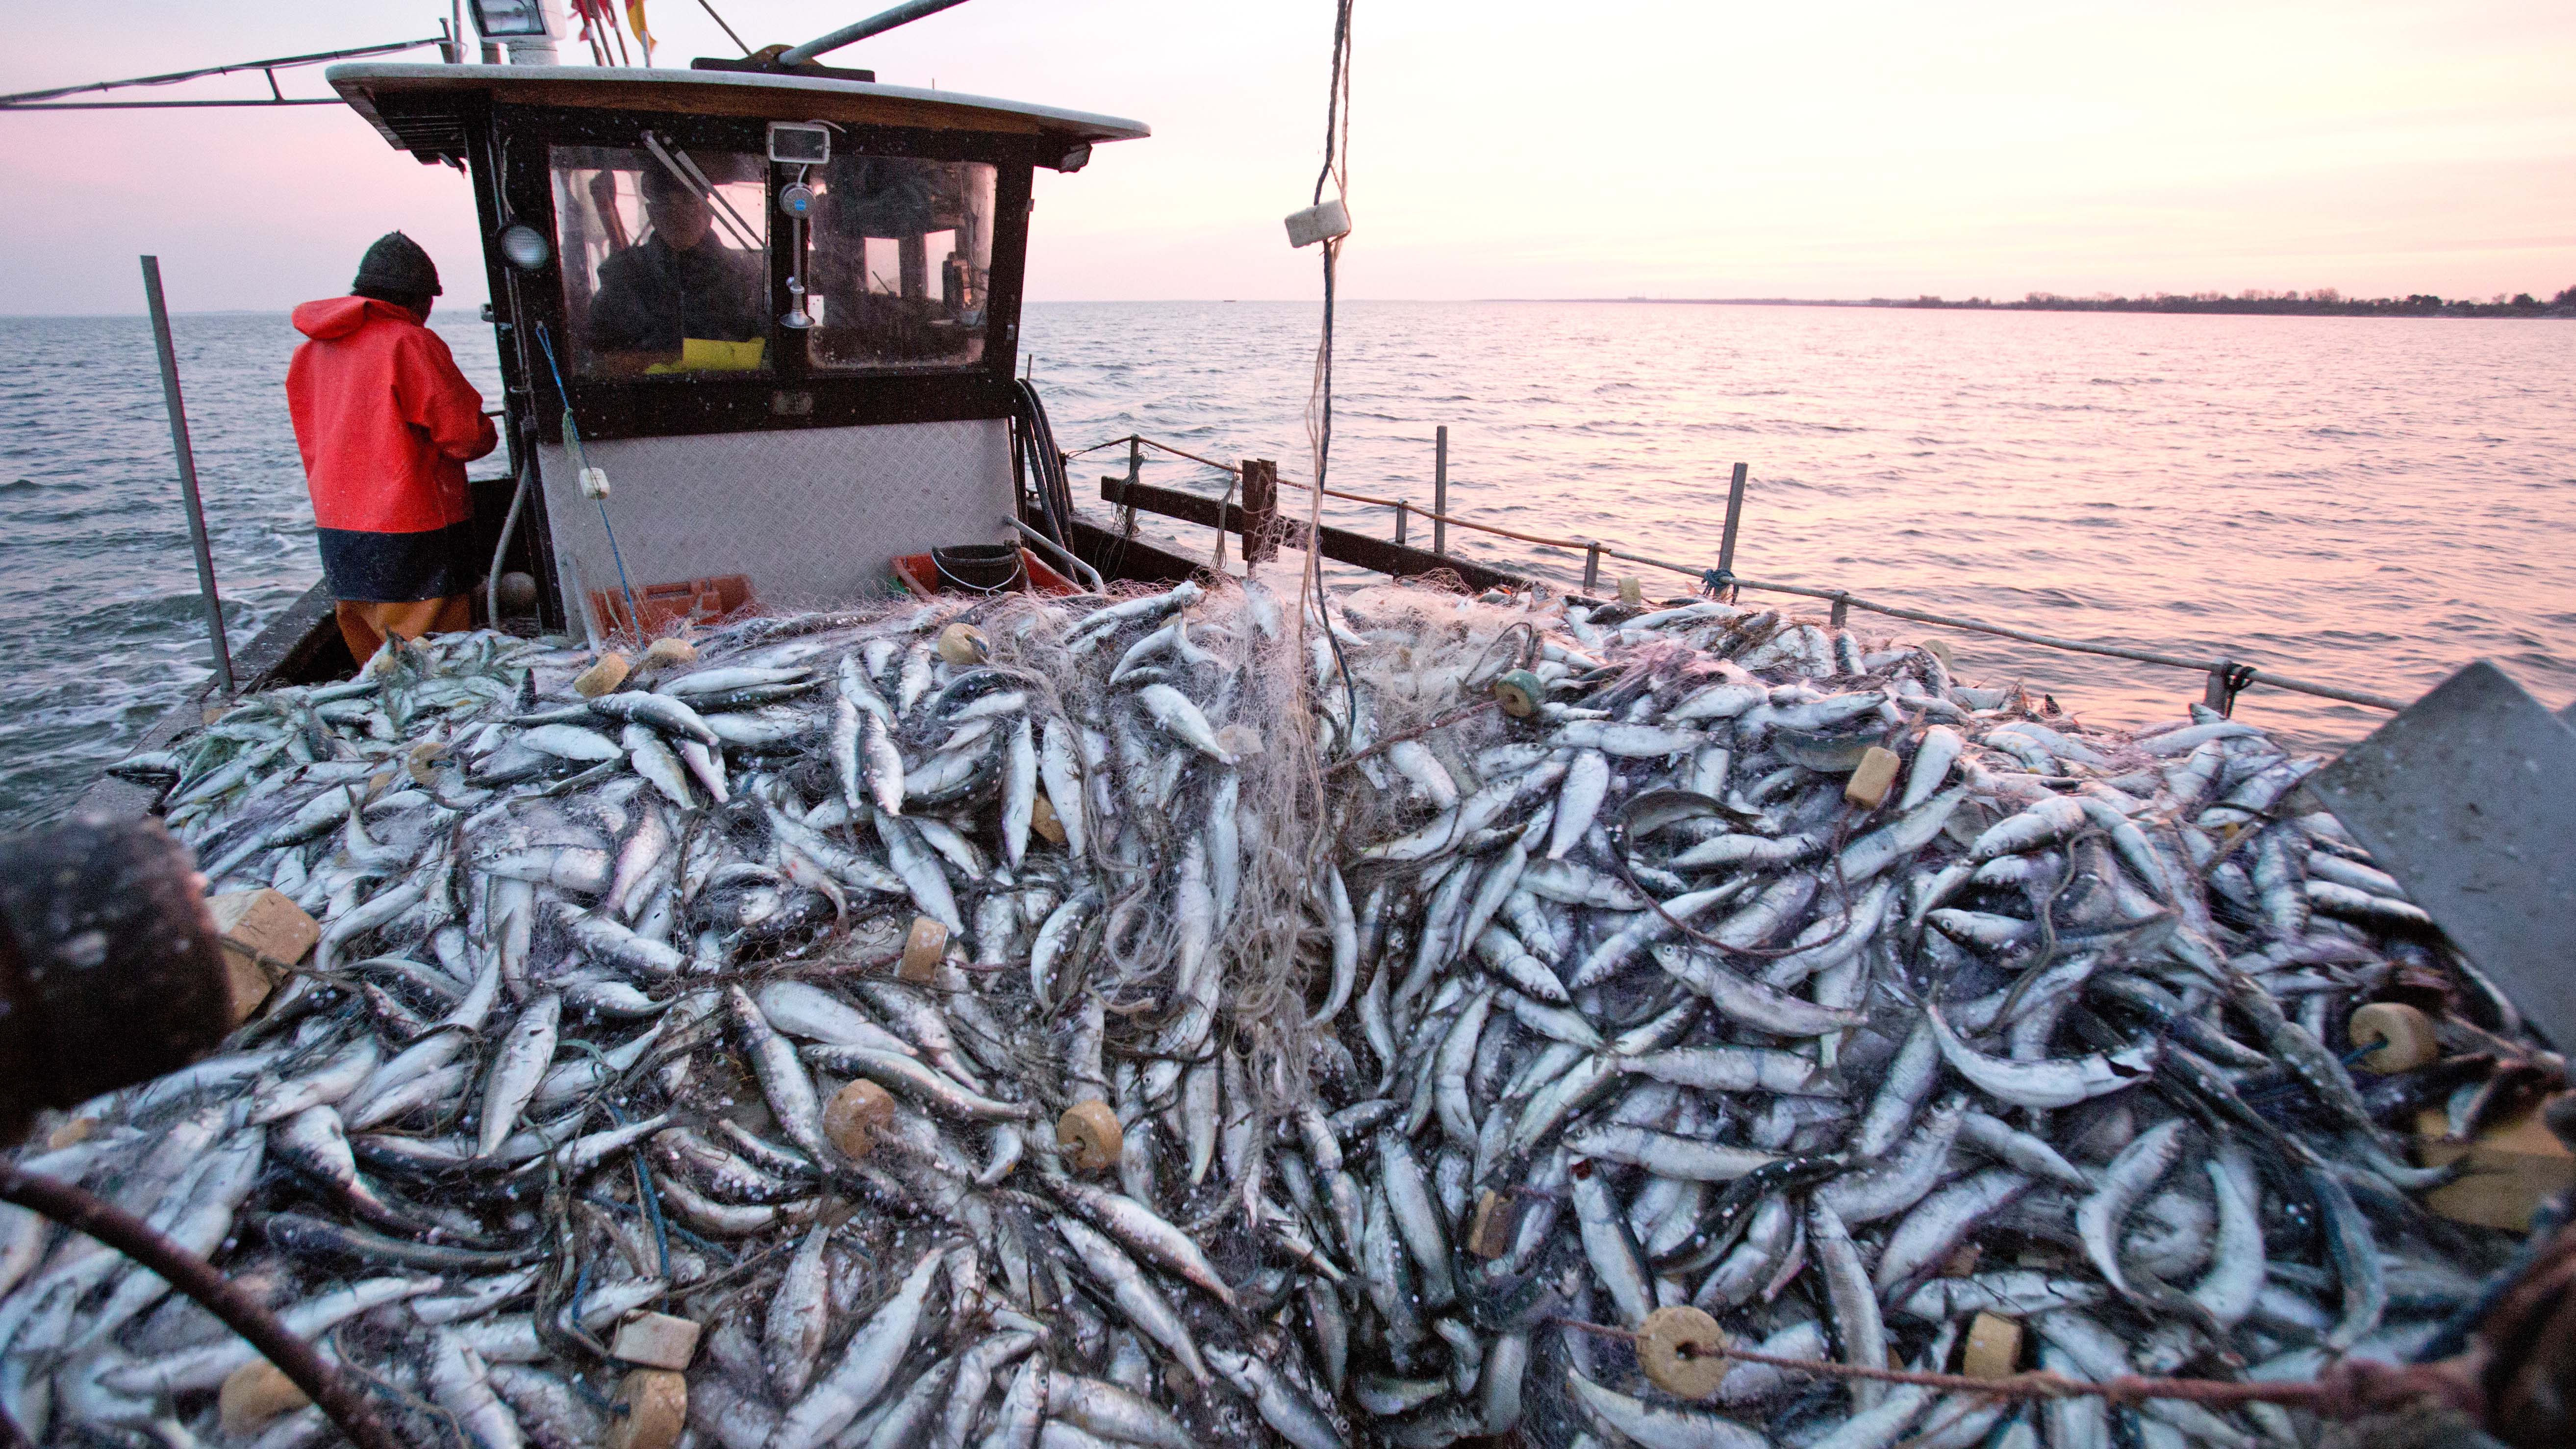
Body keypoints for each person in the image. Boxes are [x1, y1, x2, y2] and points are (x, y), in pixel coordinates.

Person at [285, 232, 499, 661]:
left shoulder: (309, 353)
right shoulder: (409, 342)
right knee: (439, 670)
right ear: (421, 300)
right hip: (415, 537)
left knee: (379, 676)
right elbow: (467, 437)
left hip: (341, 538)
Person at [585, 164, 765, 368]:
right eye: (667, 204)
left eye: (689, 202)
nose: (679, 215)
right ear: (652, 214)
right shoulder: (622, 276)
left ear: (709, 212)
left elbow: (768, 356)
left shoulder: (745, 277)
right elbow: (598, 360)